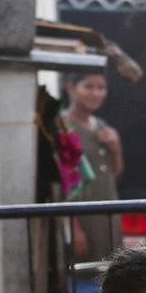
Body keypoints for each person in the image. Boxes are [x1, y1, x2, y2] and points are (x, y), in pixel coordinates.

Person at [60, 69, 125, 261]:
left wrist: (116, 148)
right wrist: (74, 228)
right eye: (88, 86)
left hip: (108, 218)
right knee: (84, 277)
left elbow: (116, 174)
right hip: (82, 219)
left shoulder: (102, 126)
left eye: (101, 88)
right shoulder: (63, 127)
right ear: (71, 88)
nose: (96, 94)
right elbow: (61, 185)